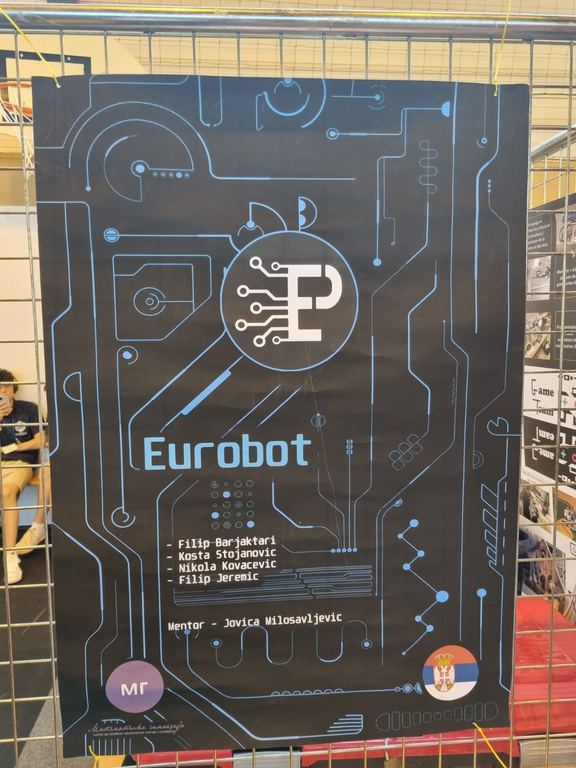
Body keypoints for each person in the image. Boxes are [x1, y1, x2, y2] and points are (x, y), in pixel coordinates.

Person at [0, 368, 44, 584]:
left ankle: (10, 556)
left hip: (20, 463)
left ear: (13, 387)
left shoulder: (29, 409)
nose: (2, 391)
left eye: (6, 386)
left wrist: (15, 447)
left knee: (7, 492)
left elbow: (42, 439)